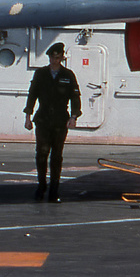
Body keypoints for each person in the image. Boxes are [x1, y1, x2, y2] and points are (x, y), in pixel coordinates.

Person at [24, 42, 80, 202]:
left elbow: (75, 97)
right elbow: (32, 95)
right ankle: (41, 186)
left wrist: (74, 117)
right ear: (49, 58)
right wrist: (28, 117)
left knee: (56, 156)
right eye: (52, 58)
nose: (54, 61)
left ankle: (54, 190)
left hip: (60, 120)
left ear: (62, 58)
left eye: (57, 58)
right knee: (41, 154)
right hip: (43, 120)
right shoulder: (40, 74)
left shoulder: (68, 75)